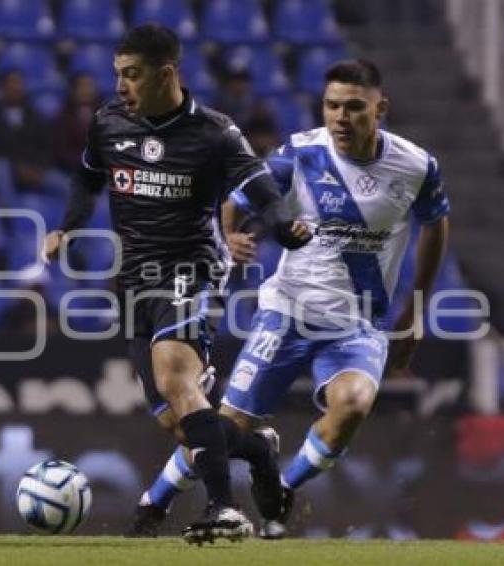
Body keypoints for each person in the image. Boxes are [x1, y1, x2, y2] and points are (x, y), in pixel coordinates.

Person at [131, 59, 450, 539]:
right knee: (222, 425)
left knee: (354, 407)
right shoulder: (301, 153)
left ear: (380, 108)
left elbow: (435, 225)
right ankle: (153, 503)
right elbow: (235, 200)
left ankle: (278, 489)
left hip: (358, 325)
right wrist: (230, 236)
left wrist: (415, 313)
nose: (340, 117)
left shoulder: (416, 166)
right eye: (332, 106)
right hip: (287, 313)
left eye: (354, 108)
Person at [41, 24, 310, 544]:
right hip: (134, 282)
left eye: (132, 75)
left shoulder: (215, 133)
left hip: (191, 269)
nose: (121, 86)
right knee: (182, 421)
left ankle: (224, 510)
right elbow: (86, 178)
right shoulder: (109, 123)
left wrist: (282, 228)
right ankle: (258, 451)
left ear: (167, 73)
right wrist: (66, 226)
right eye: (118, 74)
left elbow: (261, 189)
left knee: (174, 376)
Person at [0, 69, 57, 202]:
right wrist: (17, 167)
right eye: (12, 83)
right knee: (1, 167)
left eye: (19, 83)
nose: (16, 87)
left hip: (33, 170)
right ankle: (9, 216)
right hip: (4, 172)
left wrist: (35, 168)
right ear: (2, 88)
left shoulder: (36, 117)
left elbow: (46, 146)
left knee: (65, 184)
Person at [53, 74, 102, 173]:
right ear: (73, 90)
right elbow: (61, 150)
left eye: (89, 86)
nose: (86, 90)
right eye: (82, 86)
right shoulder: (63, 116)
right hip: (71, 169)